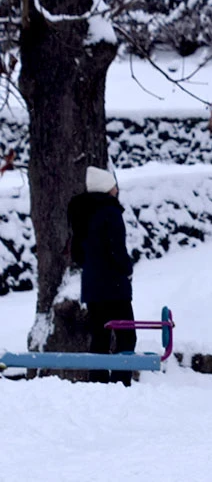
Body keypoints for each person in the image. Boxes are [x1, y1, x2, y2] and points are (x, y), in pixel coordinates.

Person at [67, 166, 136, 387]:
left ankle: (98, 383)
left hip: (92, 285)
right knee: (126, 335)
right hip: (113, 285)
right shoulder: (110, 212)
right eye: (114, 185)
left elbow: (77, 253)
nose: (117, 189)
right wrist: (127, 268)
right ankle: (120, 382)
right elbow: (117, 249)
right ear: (108, 187)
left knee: (100, 335)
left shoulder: (83, 213)